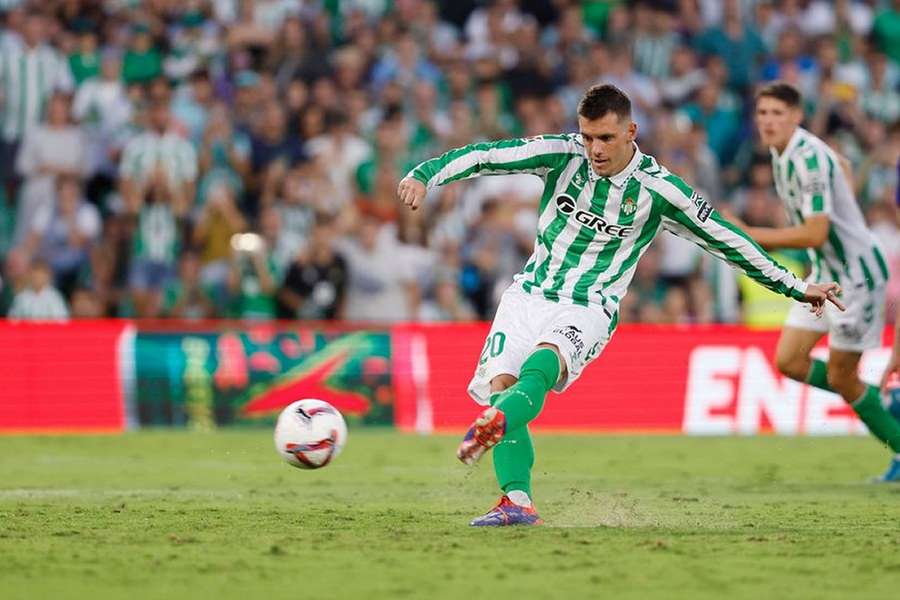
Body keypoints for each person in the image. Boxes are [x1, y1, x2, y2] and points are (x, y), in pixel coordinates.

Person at [397, 84, 843, 527]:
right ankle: (517, 500)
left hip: (589, 305)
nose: (594, 148)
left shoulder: (661, 191)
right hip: (528, 294)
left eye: (606, 138)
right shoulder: (561, 153)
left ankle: (495, 422)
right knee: (503, 384)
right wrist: (425, 173)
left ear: (631, 130)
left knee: (540, 367)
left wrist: (793, 285)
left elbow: (727, 238)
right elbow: (487, 155)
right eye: (588, 136)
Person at [736, 82, 899, 482]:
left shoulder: (806, 159)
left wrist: (748, 233)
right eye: (763, 113)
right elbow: (840, 163)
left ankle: (894, 432)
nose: (768, 121)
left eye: (777, 113)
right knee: (789, 360)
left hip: (856, 276)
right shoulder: (786, 152)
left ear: (797, 116)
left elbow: (814, 233)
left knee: (844, 377)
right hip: (826, 273)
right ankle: (884, 403)